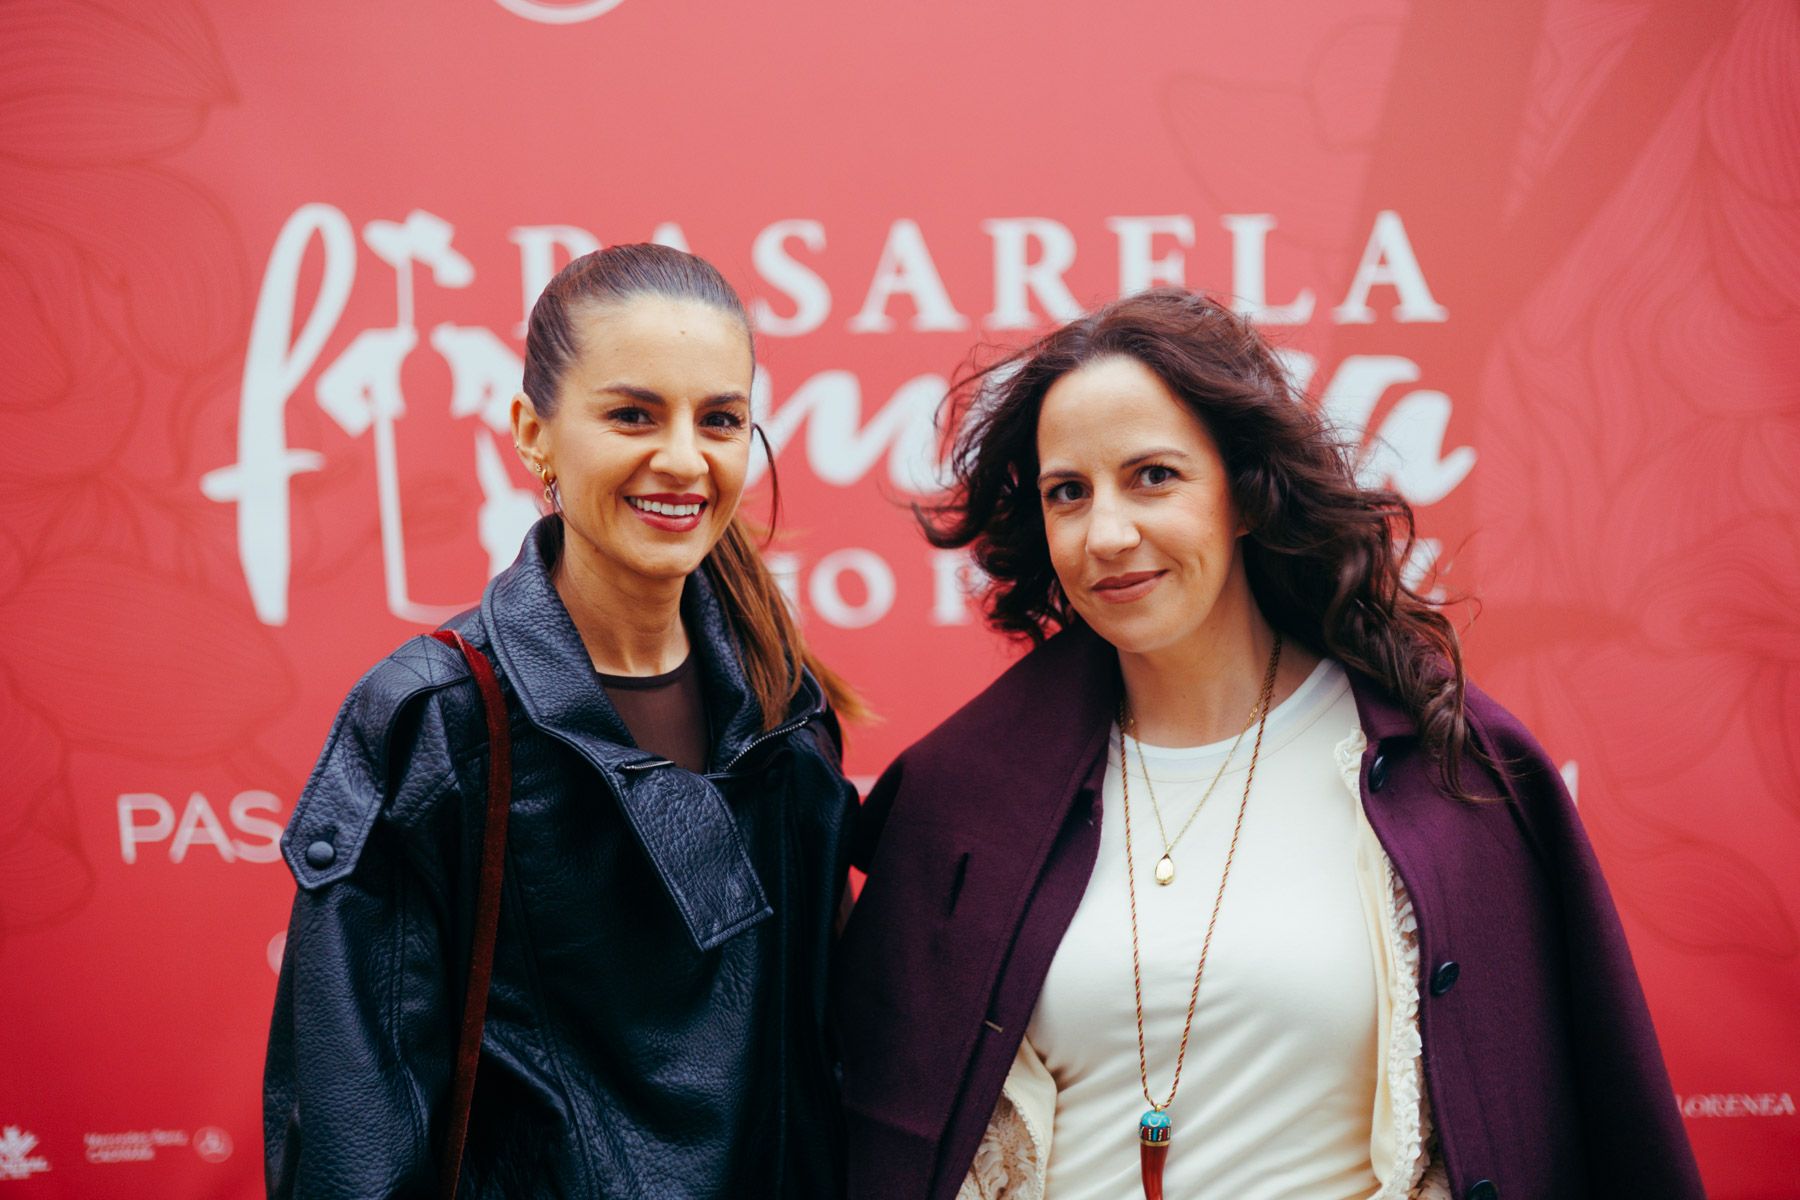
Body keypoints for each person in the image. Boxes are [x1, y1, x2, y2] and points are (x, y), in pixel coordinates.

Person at [833, 289, 1703, 1200]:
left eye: (1154, 476)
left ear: (1244, 493)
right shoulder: (961, 797)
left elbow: (1568, 1122)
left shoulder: (1448, 765)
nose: (1108, 534)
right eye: (1068, 493)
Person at [264, 244, 863, 1198]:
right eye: (632, 414)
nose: (682, 458)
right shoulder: (436, 721)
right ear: (533, 433)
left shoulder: (784, 712)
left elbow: (834, 1066)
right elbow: (352, 1135)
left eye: (719, 419)